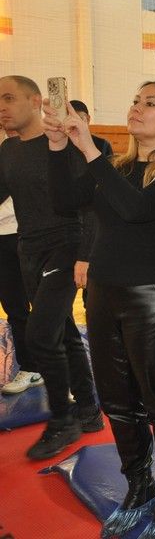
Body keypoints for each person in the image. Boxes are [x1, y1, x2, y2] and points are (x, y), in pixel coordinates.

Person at [44, 82, 155, 538]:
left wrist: (87, 146)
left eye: (150, 103)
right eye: (135, 99)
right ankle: (139, 486)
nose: (136, 107)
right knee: (117, 401)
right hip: (103, 292)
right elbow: (64, 201)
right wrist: (57, 147)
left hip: (153, 297)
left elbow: (133, 210)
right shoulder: (116, 165)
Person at [0, 75, 101, 460]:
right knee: (64, 331)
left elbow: (89, 202)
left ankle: (63, 419)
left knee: (42, 335)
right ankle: (89, 409)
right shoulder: (8, 150)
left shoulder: (60, 141)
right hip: (29, 249)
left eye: (9, 98)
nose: (2, 106)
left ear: (35, 100)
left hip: (65, 243)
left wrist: (86, 254)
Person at [67, 99, 114, 300]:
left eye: (82, 119)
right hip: (69, 218)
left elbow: (109, 181)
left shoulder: (101, 144)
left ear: (88, 119)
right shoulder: (60, 146)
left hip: (94, 216)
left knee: (93, 285)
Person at [0, 124, 32, 396]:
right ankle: (31, 366)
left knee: (48, 307)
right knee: (14, 305)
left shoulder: (16, 148)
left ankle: (63, 367)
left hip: (23, 234)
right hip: (2, 238)